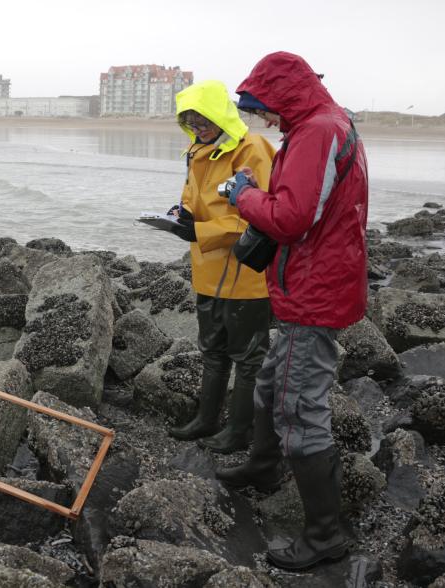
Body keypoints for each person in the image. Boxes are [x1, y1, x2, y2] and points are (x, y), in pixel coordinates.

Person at [215, 52, 369, 570]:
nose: (267, 123)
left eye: (266, 112)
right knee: (270, 384)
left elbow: (292, 218)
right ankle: (263, 468)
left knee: (300, 408)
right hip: (313, 284)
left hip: (314, 291)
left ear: (284, 98)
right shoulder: (324, 123)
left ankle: (325, 537)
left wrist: (245, 196)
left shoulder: (317, 132)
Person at [164, 80, 275, 454]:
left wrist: (199, 230)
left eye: (202, 119)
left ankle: (239, 431)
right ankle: (206, 419)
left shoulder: (253, 149)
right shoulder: (197, 151)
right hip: (208, 270)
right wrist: (181, 216)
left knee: (248, 358)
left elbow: (260, 216)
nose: (197, 126)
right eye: (190, 120)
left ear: (219, 114)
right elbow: (192, 198)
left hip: (247, 274)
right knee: (211, 350)